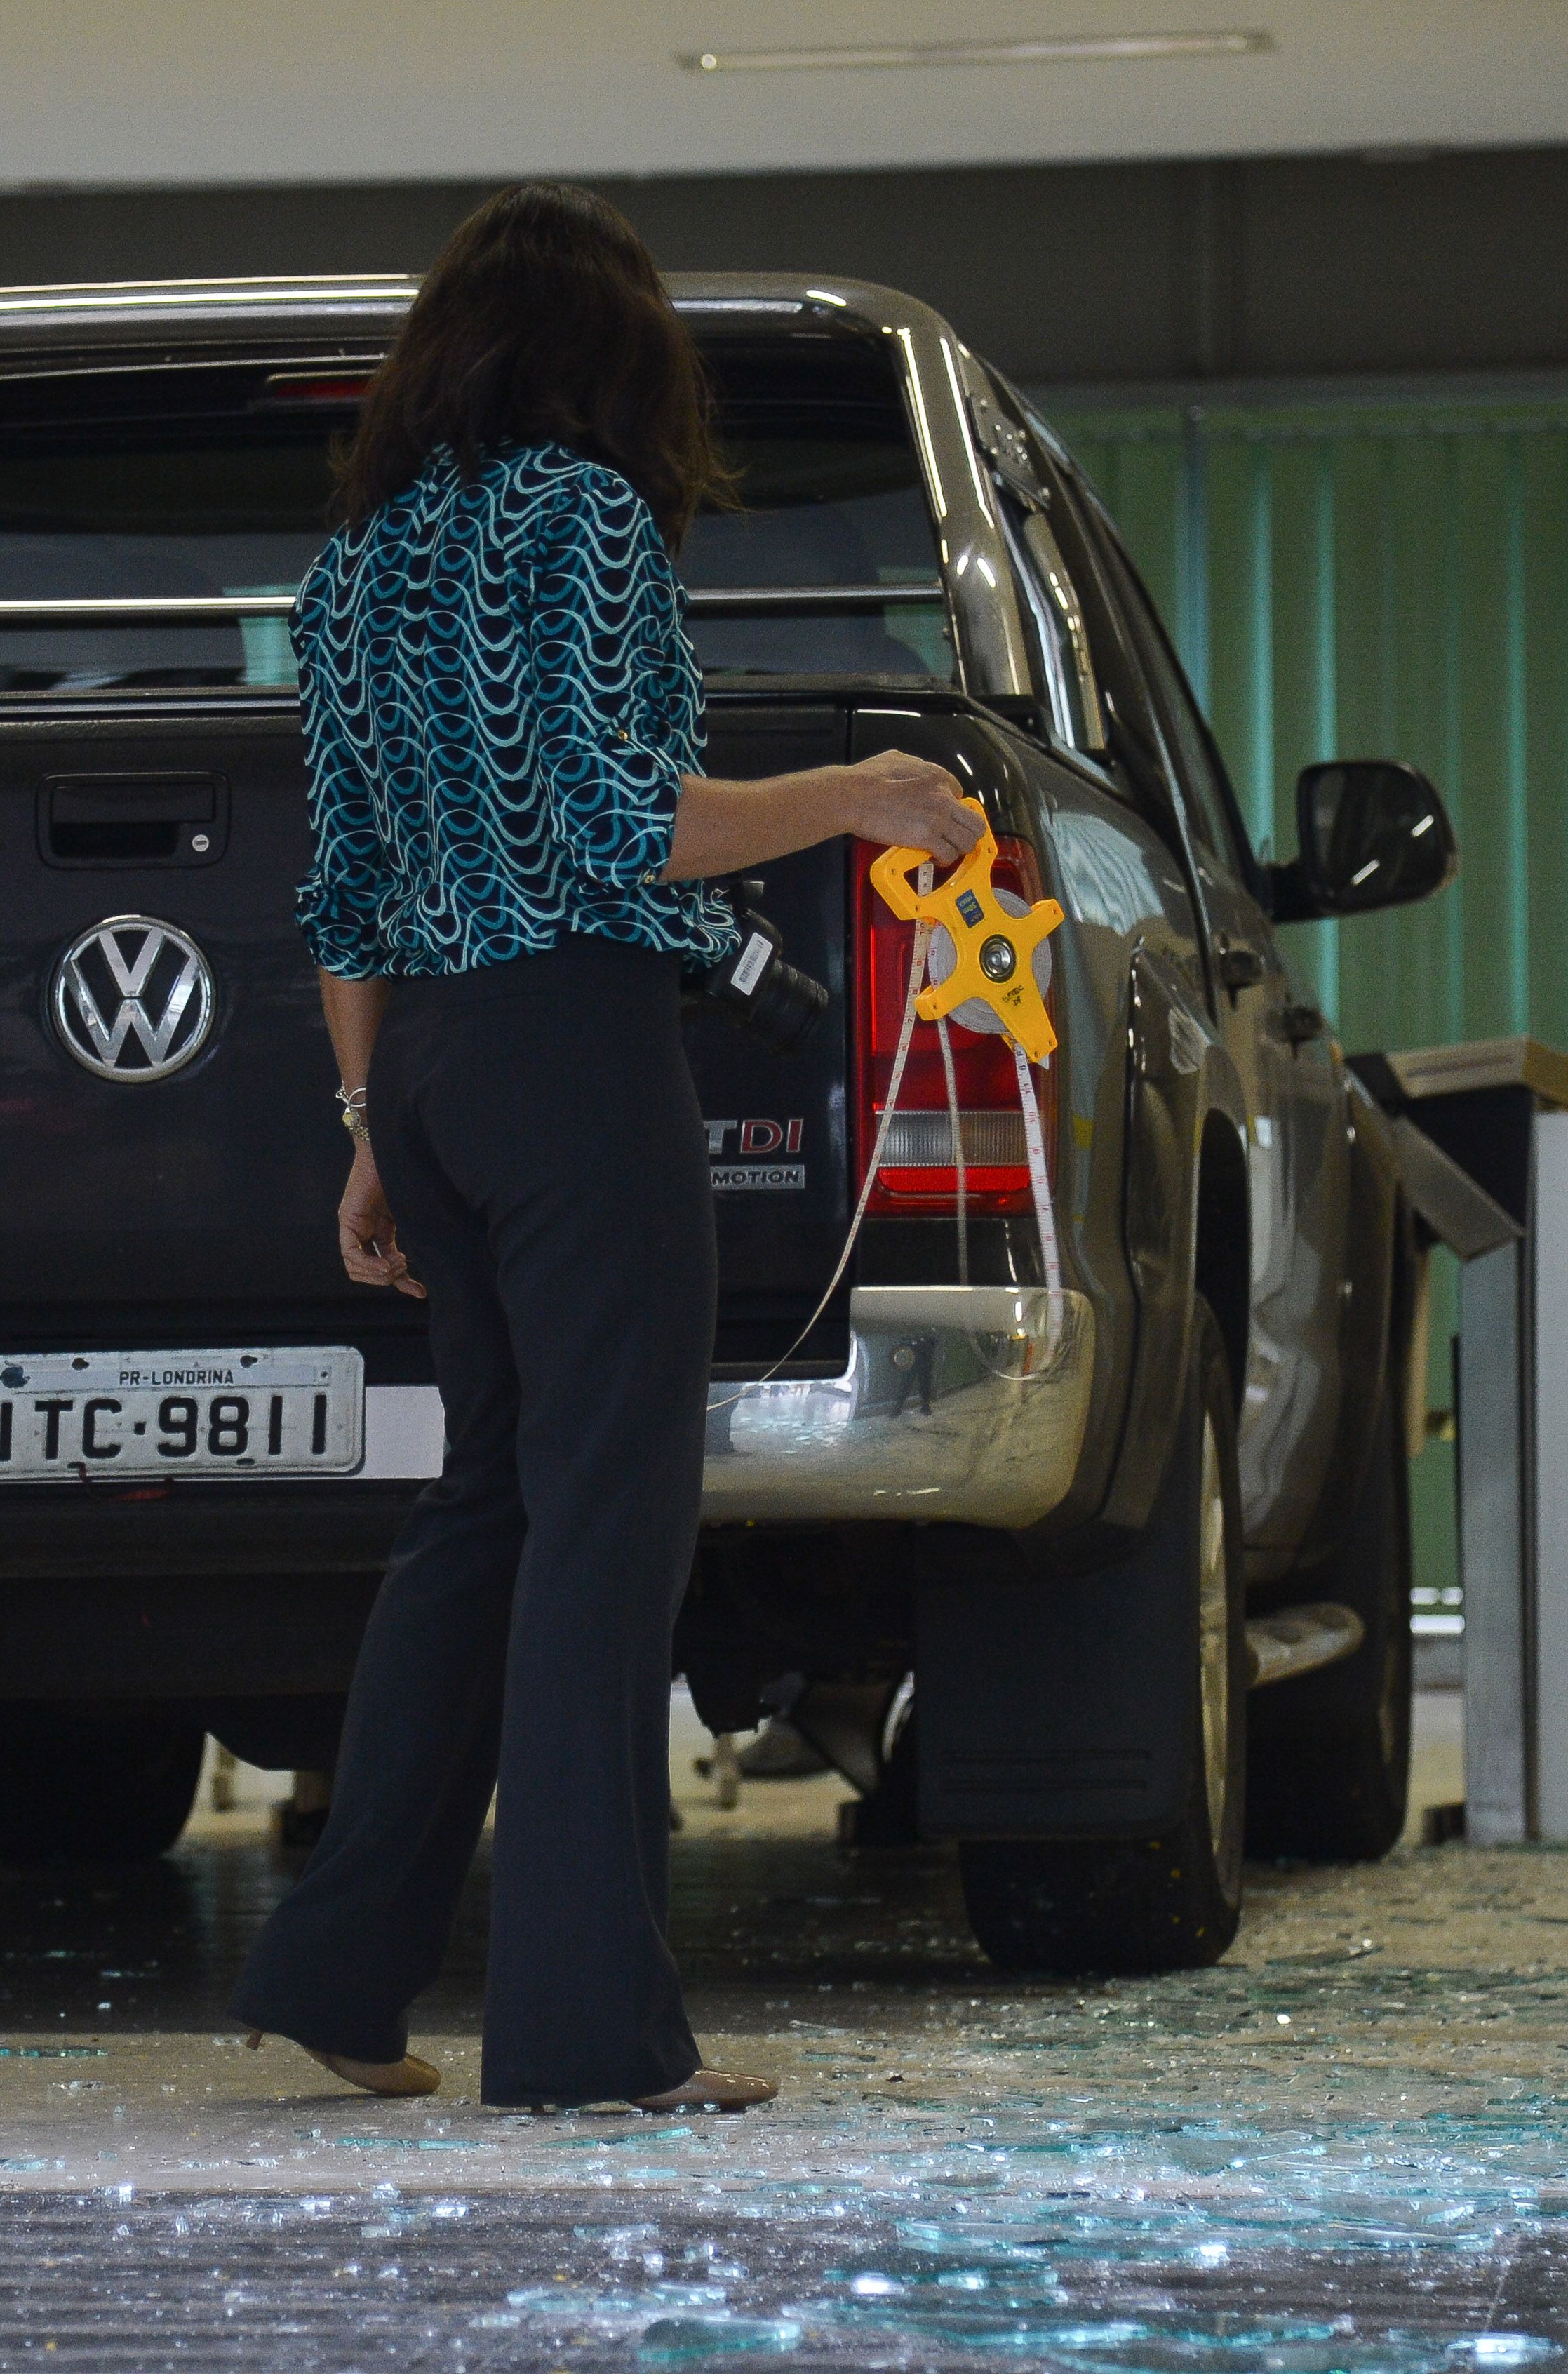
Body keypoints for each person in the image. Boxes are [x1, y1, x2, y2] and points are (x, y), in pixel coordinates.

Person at [226, 185, 979, 2112]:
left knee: (485, 1507)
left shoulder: (358, 562)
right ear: (616, 354)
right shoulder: (579, 518)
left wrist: (369, 1131)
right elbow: (613, 819)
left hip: (431, 1066)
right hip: (568, 1045)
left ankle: (341, 1971)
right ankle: (586, 2036)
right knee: (601, 1533)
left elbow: (346, 887)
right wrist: (859, 792)